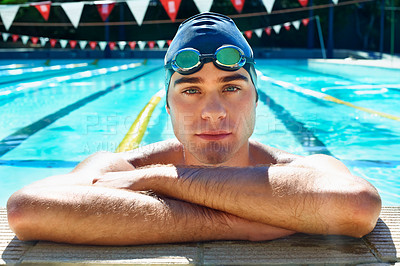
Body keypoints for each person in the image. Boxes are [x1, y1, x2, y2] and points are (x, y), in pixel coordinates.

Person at [7, 12, 381, 246]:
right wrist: (231, 223)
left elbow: (358, 207)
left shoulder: (299, 166)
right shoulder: (124, 165)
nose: (213, 112)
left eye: (232, 87)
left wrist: (169, 182)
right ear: (167, 103)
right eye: (191, 90)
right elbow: (28, 210)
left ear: (256, 99)